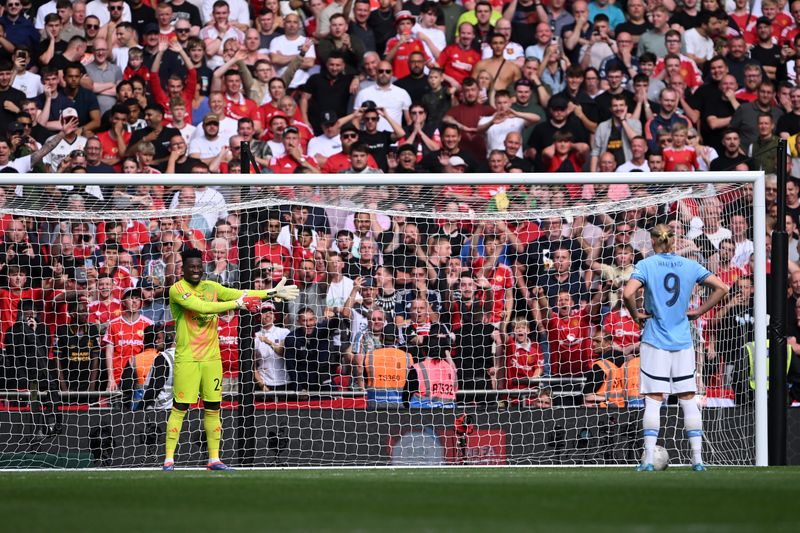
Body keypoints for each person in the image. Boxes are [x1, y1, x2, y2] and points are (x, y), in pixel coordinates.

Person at [163, 247, 299, 471]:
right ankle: (169, 458)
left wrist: (270, 293)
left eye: (199, 266)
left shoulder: (212, 287)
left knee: (213, 407)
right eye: (192, 267)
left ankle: (214, 459)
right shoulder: (177, 290)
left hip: (212, 359)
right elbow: (202, 307)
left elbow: (241, 293)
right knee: (180, 407)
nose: (196, 270)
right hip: (187, 359)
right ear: (183, 268)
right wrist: (235, 305)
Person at [623, 224, 729, 472]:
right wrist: (700, 310)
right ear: (673, 240)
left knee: (653, 399)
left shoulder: (646, 265)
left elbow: (628, 293)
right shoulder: (689, 265)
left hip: (655, 340)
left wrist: (635, 314)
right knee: (688, 398)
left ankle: (648, 460)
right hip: (683, 341)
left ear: (652, 241)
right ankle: (698, 460)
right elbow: (722, 288)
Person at [403, 324, 457, 408]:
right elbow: (455, 392)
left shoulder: (418, 368)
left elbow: (405, 398)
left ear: (424, 351)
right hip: (449, 415)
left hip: (422, 415)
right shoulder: (452, 369)